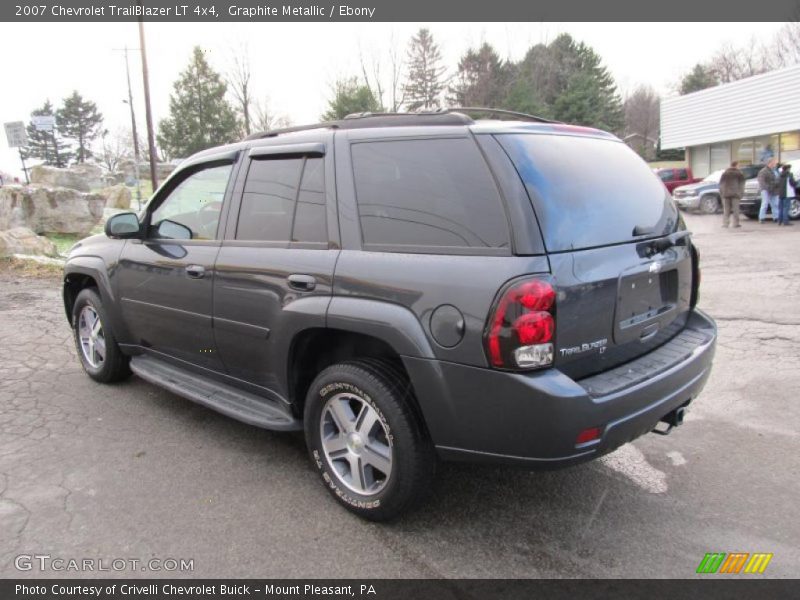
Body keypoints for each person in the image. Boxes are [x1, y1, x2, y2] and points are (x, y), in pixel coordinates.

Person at [718, 161, 745, 228]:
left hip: (725, 194)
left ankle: (725, 223)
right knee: (735, 210)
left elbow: (721, 184)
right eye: (739, 165)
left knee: (726, 210)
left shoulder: (725, 173)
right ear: (736, 165)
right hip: (735, 194)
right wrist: (741, 193)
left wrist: (722, 193)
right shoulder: (739, 174)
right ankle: (735, 223)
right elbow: (742, 185)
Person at [757, 158, 781, 223]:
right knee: (765, 203)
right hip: (766, 190)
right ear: (770, 163)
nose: (775, 164)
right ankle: (761, 218)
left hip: (774, 190)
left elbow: (778, 179)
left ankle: (776, 217)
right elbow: (761, 181)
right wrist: (766, 188)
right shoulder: (763, 171)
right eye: (774, 163)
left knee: (775, 204)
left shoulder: (776, 171)